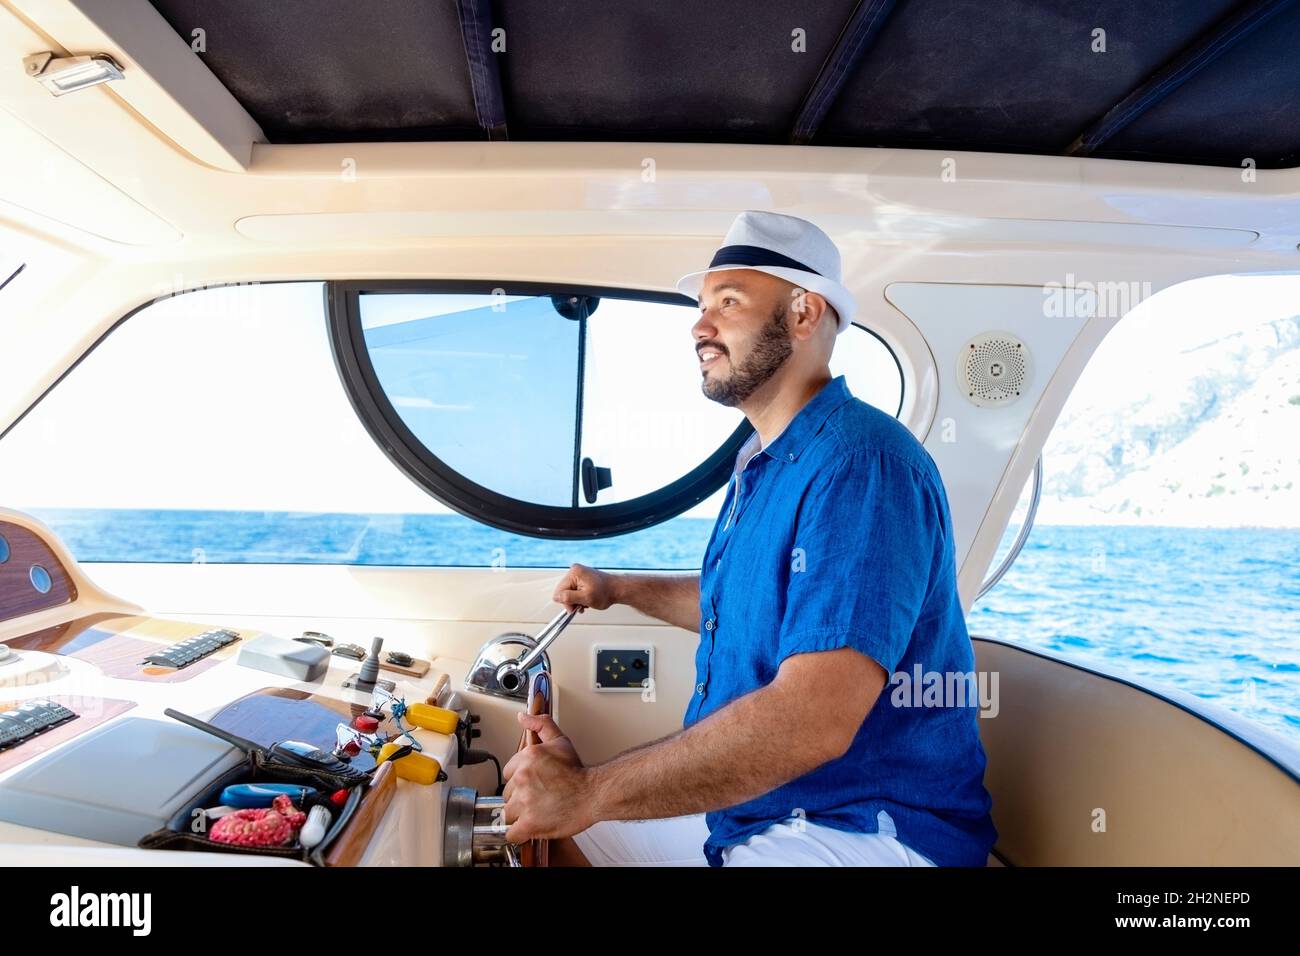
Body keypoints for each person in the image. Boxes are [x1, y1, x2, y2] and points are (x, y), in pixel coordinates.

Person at [501, 210, 997, 866]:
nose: (699, 328)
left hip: (862, 825)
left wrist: (590, 789)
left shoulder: (861, 463)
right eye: (702, 307)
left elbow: (814, 719)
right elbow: (734, 603)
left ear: (803, 314)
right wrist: (617, 589)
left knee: (579, 813)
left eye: (728, 303)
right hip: (762, 808)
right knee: (559, 839)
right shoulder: (762, 467)